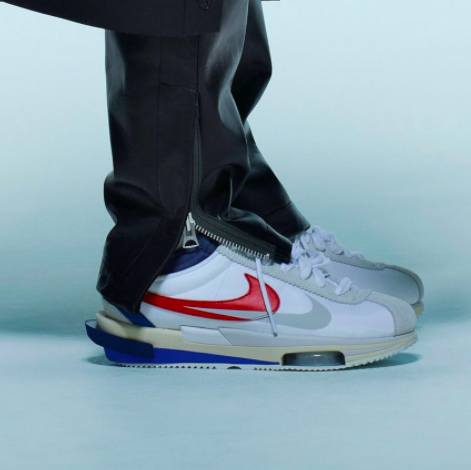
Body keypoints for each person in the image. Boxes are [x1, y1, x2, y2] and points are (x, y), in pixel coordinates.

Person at [3, 0, 423, 370]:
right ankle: (177, 260)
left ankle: (240, 219)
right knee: (180, 8)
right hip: (173, 237)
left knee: (216, 17)